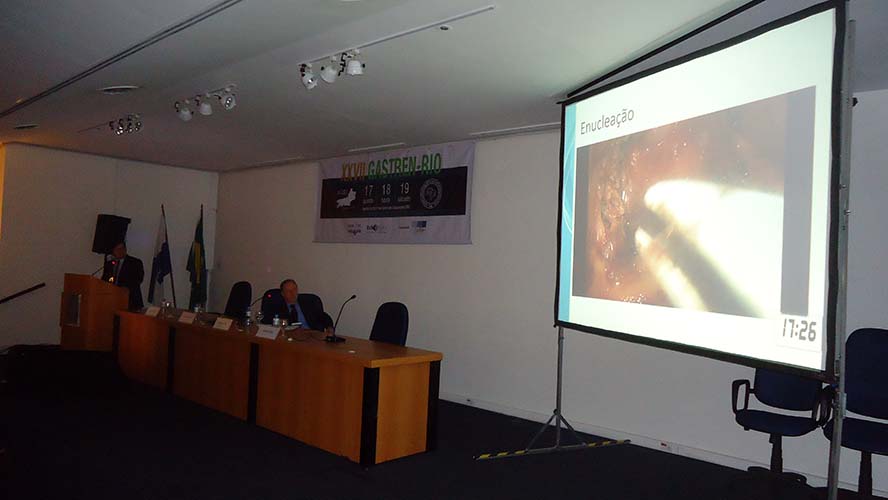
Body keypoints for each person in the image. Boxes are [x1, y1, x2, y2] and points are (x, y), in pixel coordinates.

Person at [101, 242, 145, 310]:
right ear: (113, 251)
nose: (120, 251)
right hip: (111, 300)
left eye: (122, 248)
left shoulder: (135, 262)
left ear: (125, 249)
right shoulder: (110, 264)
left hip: (130, 300)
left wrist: (126, 287)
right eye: (117, 249)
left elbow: (138, 278)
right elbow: (105, 280)